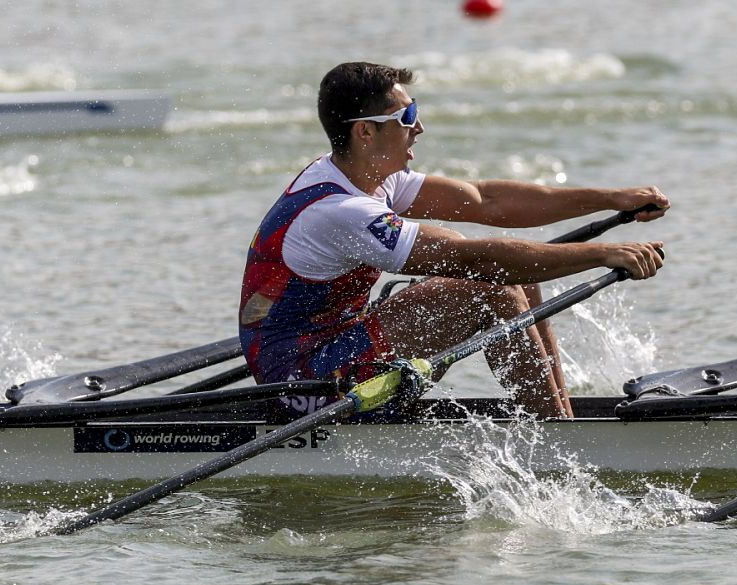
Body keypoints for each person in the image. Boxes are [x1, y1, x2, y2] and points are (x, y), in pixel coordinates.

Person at [240, 61, 668, 420]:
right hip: (303, 386)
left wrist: (611, 198)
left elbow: (489, 200)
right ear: (364, 133)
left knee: (519, 272)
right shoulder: (340, 211)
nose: (419, 127)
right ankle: (558, 443)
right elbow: (476, 260)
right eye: (406, 118)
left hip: (338, 341)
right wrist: (605, 253)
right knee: (494, 285)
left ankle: (560, 419)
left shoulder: (367, 176)